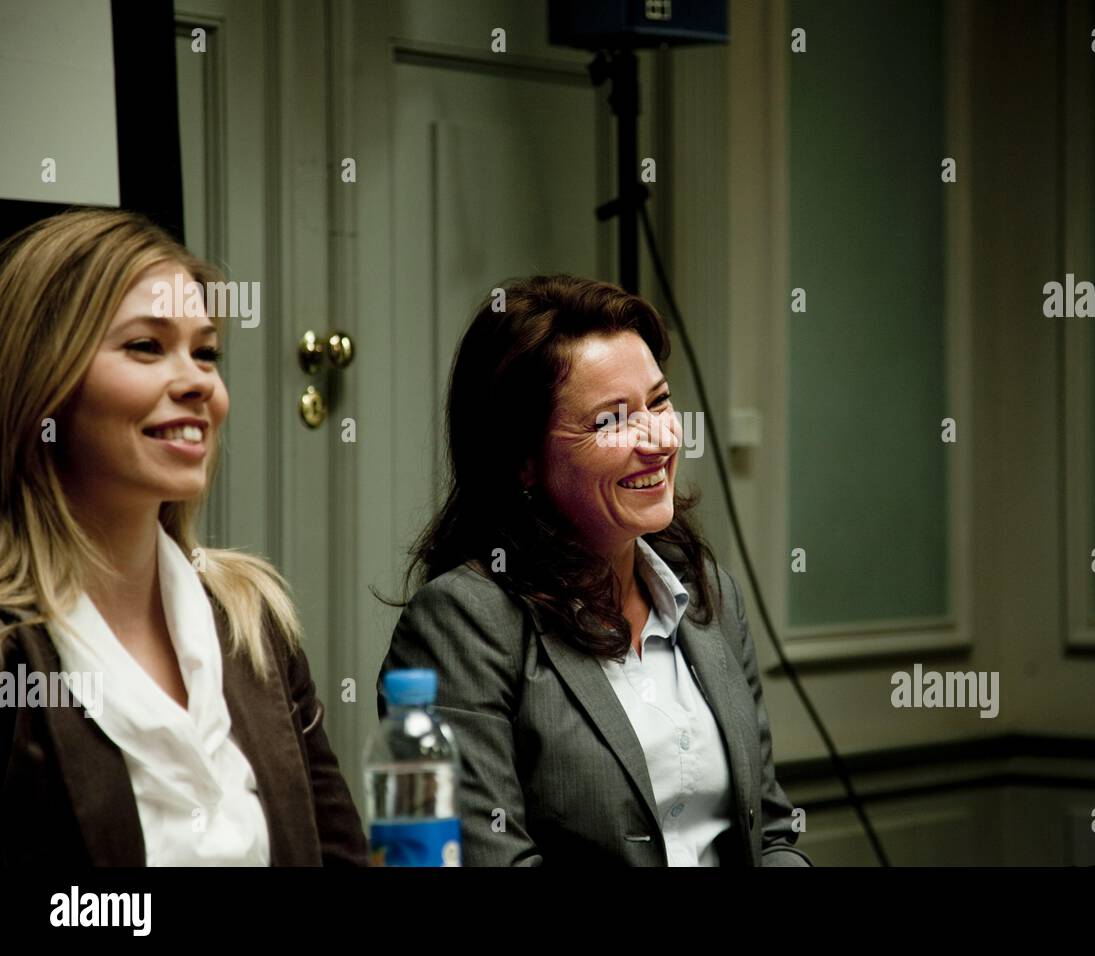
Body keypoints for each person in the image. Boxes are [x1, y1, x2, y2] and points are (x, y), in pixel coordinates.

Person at [378, 274, 813, 866]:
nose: (658, 441)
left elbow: (770, 837)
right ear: (524, 461)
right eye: (612, 421)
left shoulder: (709, 594)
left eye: (659, 402)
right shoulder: (463, 621)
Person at [0, 209, 366, 866]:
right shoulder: (11, 646)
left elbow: (338, 855)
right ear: (43, 381)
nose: (199, 382)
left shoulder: (250, 616)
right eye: (146, 346)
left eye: (206, 353)